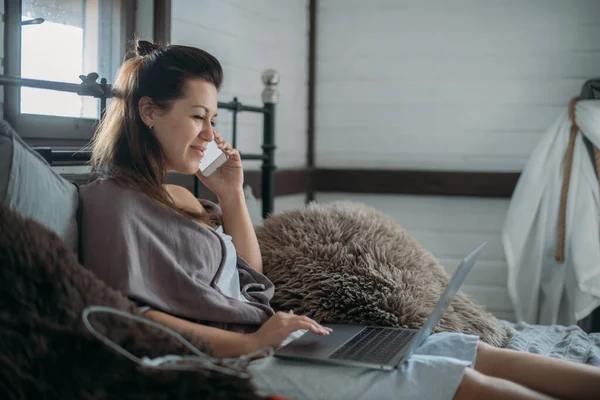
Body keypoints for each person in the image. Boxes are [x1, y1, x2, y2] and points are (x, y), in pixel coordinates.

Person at [79, 40, 600, 400]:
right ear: (148, 112)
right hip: (240, 363)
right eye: (198, 117)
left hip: (276, 341)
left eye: (213, 119)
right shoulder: (112, 204)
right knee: (464, 384)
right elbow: (133, 317)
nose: (210, 135)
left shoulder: (174, 194)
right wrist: (253, 343)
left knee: (471, 351)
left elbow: (248, 280)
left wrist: (233, 197)